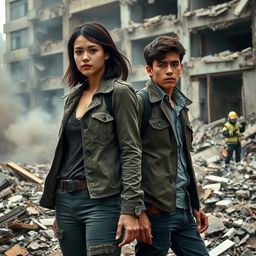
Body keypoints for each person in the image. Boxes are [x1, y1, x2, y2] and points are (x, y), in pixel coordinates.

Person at [39, 22, 143, 256]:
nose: (85, 57)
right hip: (66, 201)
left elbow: (131, 152)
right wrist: (59, 208)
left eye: (92, 50)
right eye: (78, 52)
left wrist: (130, 210)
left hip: (102, 202)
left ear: (106, 53)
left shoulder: (120, 93)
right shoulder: (72, 97)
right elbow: (67, 153)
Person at [135, 36, 209, 256]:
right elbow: (127, 159)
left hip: (184, 210)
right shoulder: (140, 103)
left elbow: (183, 160)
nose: (169, 70)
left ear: (181, 67)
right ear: (150, 69)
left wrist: (194, 205)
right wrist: (138, 211)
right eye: (162, 65)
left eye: (174, 64)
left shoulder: (181, 106)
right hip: (155, 213)